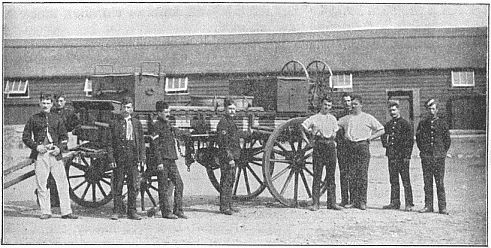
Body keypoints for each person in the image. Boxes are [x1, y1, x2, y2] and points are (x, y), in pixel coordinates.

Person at [22, 93, 78, 219]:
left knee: (63, 183)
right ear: (39, 104)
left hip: (55, 154)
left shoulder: (57, 119)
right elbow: (25, 137)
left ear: (51, 104)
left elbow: (64, 137)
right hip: (41, 155)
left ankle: (66, 212)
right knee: (42, 183)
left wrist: (59, 148)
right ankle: (46, 211)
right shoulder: (33, 118)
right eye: (43, 103)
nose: (45, 105)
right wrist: (36, 146)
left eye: (48, 103)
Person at [337, 95, 385, 210]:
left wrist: (371, 138)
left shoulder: (367, 117)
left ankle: (362, 201)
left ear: (361, 105)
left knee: (362, 174)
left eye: (356, 104)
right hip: (350, 147)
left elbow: (381, 130)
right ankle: (354, 201)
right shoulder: (346, 118)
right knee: (352, 174)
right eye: (352, 104)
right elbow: (335, 126)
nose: (353, 106)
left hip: (362, 146)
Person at [107, 97, 145, 220]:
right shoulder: (114, 123)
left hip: (133, 158)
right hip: (119, 158)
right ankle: (117, 211)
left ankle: (132, 211)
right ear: (120, 108)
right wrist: (111, 159)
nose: (126, 110)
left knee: (133, 186)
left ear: (132, 109)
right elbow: (110, 143)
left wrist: (142, 157)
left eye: (128, 107)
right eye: (124, 107)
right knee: (118, 185)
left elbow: (141, 142)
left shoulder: (136, 123)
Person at [301, 96, 342, 211]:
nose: (327, 107)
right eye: (325, 105)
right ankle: (315, 203)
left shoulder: (333, 119)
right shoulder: (314, 118)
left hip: (330, 147)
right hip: (319, 146)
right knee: (317, 176)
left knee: (331, 176)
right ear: (321, 105)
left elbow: (336, 131)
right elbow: (302, 127)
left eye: (329, 105)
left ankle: (332, 203)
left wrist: (333, 136)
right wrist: (308, 140)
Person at [40, 92, 80, 208]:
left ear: (65, 101)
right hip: (53, 144)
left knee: (61, 175)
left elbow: (77, 125)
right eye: (57, 101)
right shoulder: (51, 113)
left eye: (61, 101)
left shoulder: (69, 113)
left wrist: (72, 132)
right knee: (49, 175)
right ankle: (52, 200)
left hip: (65, 143)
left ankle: (61, 202)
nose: (59, 103)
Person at [151, 101, 188, 219]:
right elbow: (155, 146)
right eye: (165, 112)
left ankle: (178, 210)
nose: (168, 114)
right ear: (158, 113)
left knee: (179, 184)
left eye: (168, 111)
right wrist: (159, 162)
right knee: (163, 187)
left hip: (171, 160)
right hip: (163, 161)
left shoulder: (168, 124)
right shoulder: (155, 126)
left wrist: (187, 134)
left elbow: (178, 134)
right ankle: (166, 212)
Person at [416, 99, 451, 215]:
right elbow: (419, 139)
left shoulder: (442, 123)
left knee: (439, 182)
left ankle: (442, 207)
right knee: (427, 182)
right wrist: (424, 152)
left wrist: (441, 152)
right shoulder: (423, 123)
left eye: (433, 109)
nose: (431, 111)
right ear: (427, 110)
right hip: (427, 157)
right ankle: (428, 206)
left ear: (437, 110)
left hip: (439, 157)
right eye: (429, 109)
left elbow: (447, 140)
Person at [381, 101, 415, 211]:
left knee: (406, 181)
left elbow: (410, 142)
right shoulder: (389, 124)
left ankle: (409, 203)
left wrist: (407, 156)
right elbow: (383, 134)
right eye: (390, 110)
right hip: (392, 156)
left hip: (402, 157)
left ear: (399, 110)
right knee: (393, 180)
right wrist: (385, 145)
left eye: (394, 110)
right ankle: (395, 203)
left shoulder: (405, 124)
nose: (392, 112)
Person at [216, 98, 241, 215]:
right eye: (230, 109)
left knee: (231, 180)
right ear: (225, 109)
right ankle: (224, 207)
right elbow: (223, 144)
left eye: (234, 109)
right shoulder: (223, 123)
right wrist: (230, 158)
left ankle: (229, 204)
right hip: (226, 157)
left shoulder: (231, 122)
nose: (232, 111)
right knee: (226, 180)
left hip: (232, 156)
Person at [335, 93, 354, 207]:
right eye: (345, 101)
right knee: (343, 173)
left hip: (353, 147)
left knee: (353, 173)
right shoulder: (339, 116)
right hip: (342, 147)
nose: (347, 103)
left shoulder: (356, 114)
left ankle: (353, 199)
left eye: (348, 101)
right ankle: (344, 199)